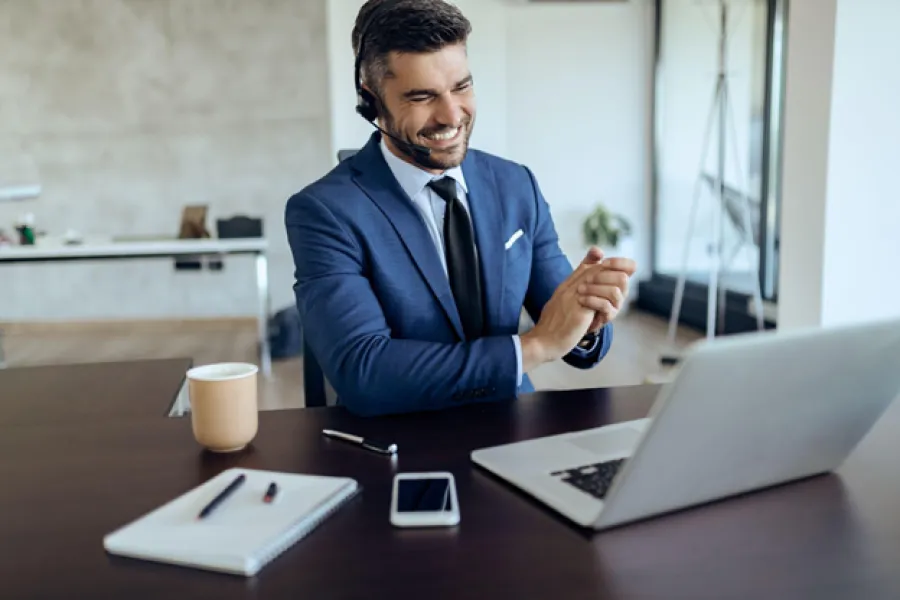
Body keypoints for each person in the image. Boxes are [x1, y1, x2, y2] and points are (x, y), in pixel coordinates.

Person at [285, 0, 637, 416]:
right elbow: (366, 373)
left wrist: (586, 318)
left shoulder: (515, 184)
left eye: (462, 87)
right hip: (398, 443)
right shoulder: (325, 212)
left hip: (513, 425)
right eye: (422, 96)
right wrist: (535, 346)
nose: (452, 114)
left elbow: (564, 321)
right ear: (371, 99)